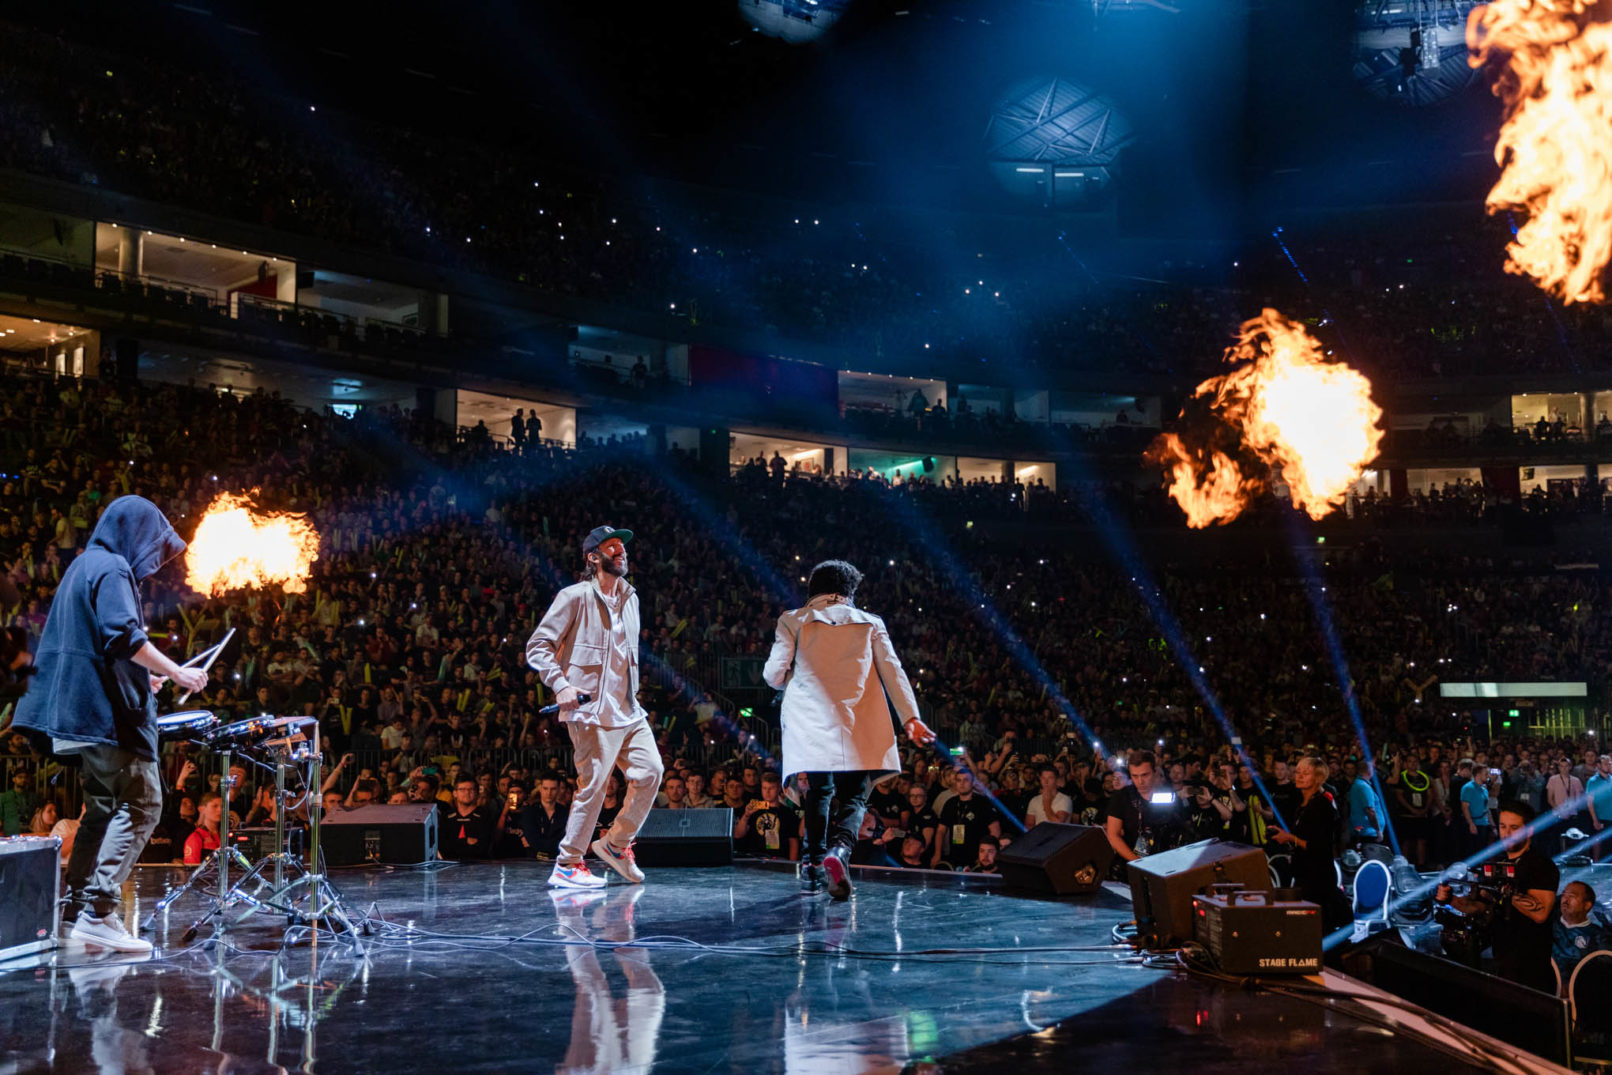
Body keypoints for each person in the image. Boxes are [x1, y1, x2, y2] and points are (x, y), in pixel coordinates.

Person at [11, 496, 207, 953]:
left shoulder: (84, 566)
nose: (152, 564)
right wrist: (177, 673)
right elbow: (123, 635)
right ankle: (100, 911)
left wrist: (144, 677)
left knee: (101, 809)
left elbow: (104, 648)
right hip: (104, 720)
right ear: (134, 532)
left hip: (75, 716)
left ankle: (76, 909)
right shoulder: (114, 568)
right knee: (144, 802)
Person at [763, 559, 934, 899]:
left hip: (809, 721)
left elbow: (773, 674)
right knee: (855, 794)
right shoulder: (870, 623)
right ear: (849, 592)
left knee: (819, 791)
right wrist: (911, 719)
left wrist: (790, 679)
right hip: (857, 721)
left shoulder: (793, 620)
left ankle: (811, 867)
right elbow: (894, 673)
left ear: (814, 590)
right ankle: (839, 849)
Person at [526, 526, 664, 889]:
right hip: (590, 709)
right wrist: (561, 684)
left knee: (651, 772)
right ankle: (569, 863)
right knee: (595, 785)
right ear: (593, 557)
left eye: (623, 547)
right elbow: (538, 646)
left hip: (628, 709)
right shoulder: (574, 596)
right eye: (612, 547)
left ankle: (616, 844)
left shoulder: (631, 598)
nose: (621, 551)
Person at [1436, 801, 1559, 993]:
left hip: (1531, 963)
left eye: (1514, 828)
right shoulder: (1497, 864)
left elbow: (1540, 913)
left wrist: (1504, 892)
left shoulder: (1541, 866)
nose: (1507, 833)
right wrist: (1449, 899)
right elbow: (1479, 906)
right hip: (1500, 957)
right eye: (1503, 826)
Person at [1269, 756, 1351, 931]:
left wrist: (1290, 838)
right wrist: (1287, 837)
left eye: (1305, 773)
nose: (1298, 776)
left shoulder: (1322, 805)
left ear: (1318, 778)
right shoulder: (1303, 804)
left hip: (1317, 879)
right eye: (1297, 771)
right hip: (1304, 873)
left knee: (1318, 929)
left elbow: (1318, 846)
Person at [1103, 752, 1183, 865]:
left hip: (1165, 861)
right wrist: (1138, 862)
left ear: (1154, 772)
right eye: (1135, 776)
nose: (1140, 781)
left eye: (1145, 775)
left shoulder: (1169, 796)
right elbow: (1113, 835)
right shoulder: (1122, 796)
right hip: (1131, 864)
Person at [733, 771, 800, 860]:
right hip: (755, 858)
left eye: (771, 788)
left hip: (778, 859)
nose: (767, 792)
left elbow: (793, 842)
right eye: (764, 788)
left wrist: (792, 867)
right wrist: (746, 816)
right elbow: (738, 835)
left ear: (779, 788)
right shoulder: (753, 809)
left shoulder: (787, 813)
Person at [1553, 880, 1611, 980]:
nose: (1565, 900)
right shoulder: (1549, 924)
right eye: (1564, 894)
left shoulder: (1598, 937)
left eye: (1572, 896)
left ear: (1587, 905)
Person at [439, 775, 494, 860]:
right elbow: (443, 847)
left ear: (477, 793)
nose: (467, 793)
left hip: (479, 867)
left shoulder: (485, 815)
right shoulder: (446, 816)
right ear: (455, 793)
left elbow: (483, 847)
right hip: (450, 868)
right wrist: (466, 841)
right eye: (462, 789)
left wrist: (456, 843)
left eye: (471, 789)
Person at [183, 793, 223, 866]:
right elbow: (191, 869)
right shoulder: (196, 837)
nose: (220, 810)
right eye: (215, 806)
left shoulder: (226, 835)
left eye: (222, 806)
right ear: (202, 809)